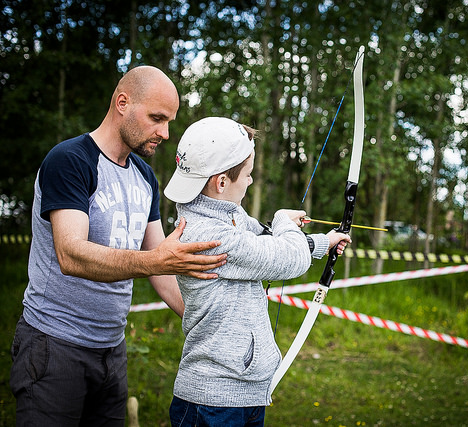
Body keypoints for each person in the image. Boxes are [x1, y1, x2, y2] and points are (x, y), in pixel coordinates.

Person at [10, 66, 228, 426]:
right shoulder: (70, 161)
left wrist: (212, 323)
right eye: (157, 118)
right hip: (53, 346)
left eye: (169, 121)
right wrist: (156, 261)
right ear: (122, 102)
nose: (165, 133)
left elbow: (164, 274)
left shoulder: (145, 176)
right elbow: (70, 254)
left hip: (111, 350)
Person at [163, 117, 351, 427]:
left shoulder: (227, 216)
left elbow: (261, 242)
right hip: (214, 403)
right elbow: (286, 257)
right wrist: (282, 221)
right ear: (221, 182)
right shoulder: (207, 235)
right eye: (248, 175)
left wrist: (323, 243)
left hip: (239, 396)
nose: (250, 181)